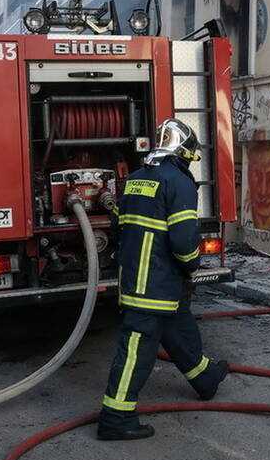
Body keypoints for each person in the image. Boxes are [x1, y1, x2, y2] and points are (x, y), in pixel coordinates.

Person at [96, 118, 228, 441]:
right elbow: (184, 243)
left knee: (178, 329)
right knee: (136, 349)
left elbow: (119, 227)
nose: (189, 163)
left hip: (139, 282)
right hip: (155, 285)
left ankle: (205, 377)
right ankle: (116, 416)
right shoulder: (179, 183)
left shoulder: (136, 180)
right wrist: (192, 264)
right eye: (189, 157)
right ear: (182, 152)